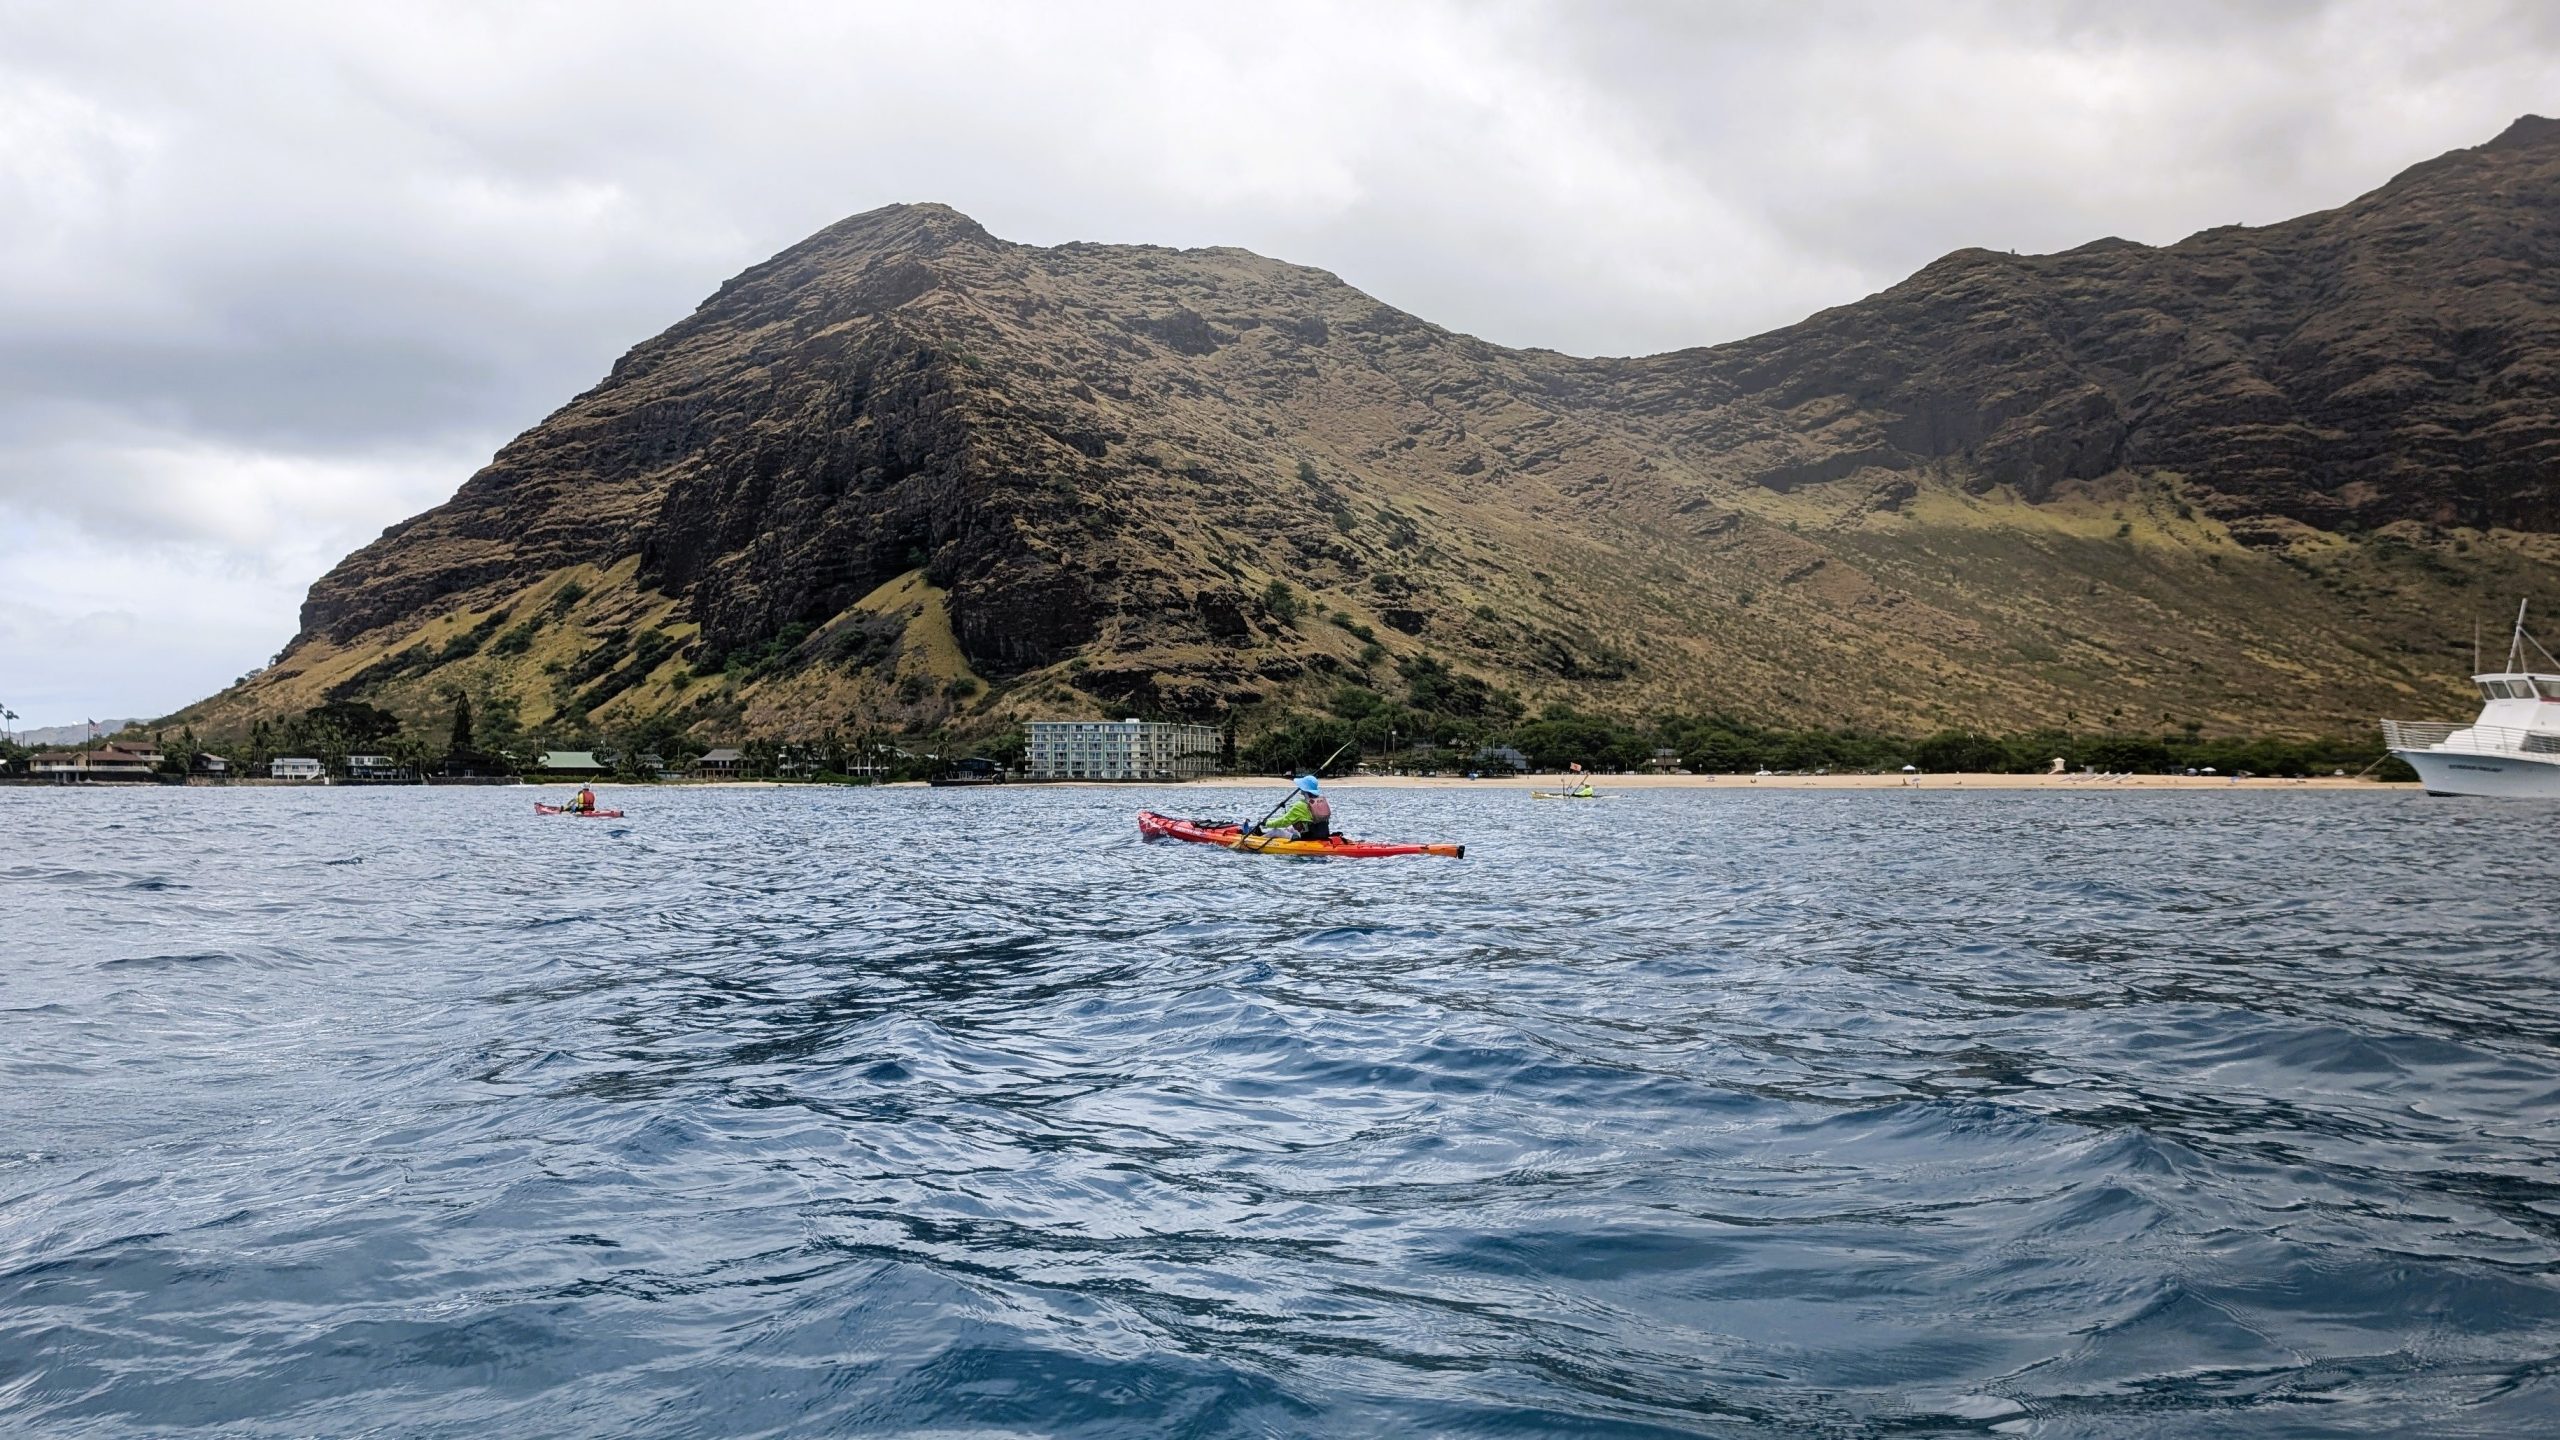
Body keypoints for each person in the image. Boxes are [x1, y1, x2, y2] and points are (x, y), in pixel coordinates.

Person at [1245, 774, 1331, 842]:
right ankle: (1263, 834)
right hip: (1322, 835)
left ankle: (1257, 840)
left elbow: (1283, 822)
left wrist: (1266, 823)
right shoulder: (1322, 803)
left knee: (1276, 831)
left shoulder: (1300, 805)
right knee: (1290, 828)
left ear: (1304, 790)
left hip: (1308, 838)